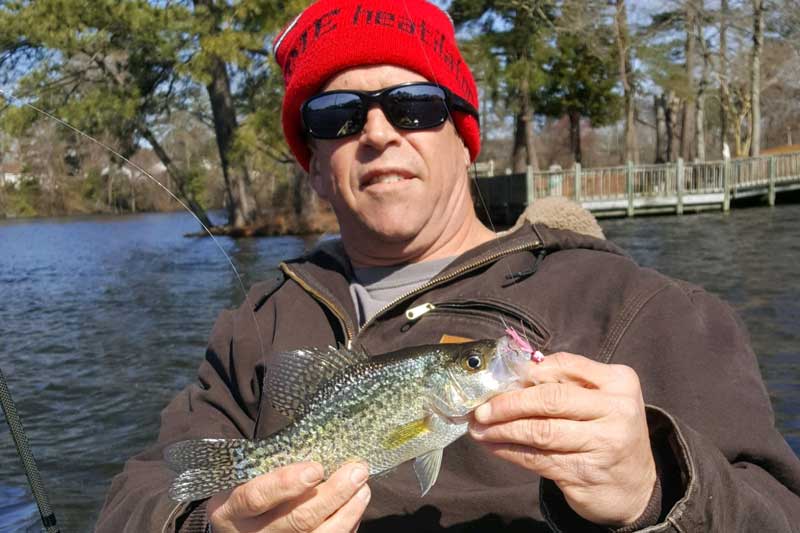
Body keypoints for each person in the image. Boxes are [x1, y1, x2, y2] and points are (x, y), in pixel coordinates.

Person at [97, 1, 800, 531]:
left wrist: (659, 485)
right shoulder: (259, 322)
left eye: (414, 105)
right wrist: (212, 524)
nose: (378, 132)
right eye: (338, 115)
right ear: (312, 164)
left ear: (466, 140)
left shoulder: (632, 305)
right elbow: (143, 488)